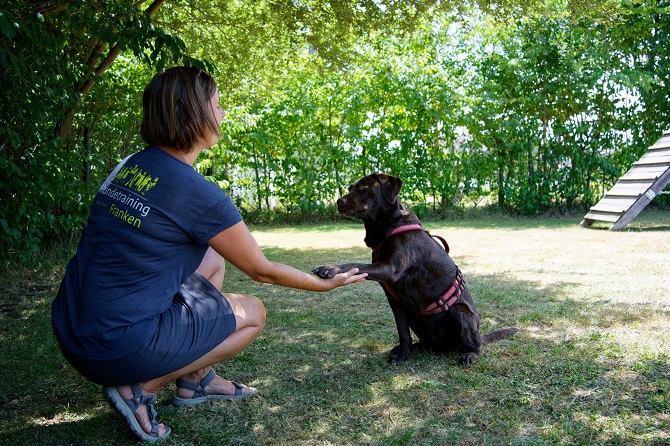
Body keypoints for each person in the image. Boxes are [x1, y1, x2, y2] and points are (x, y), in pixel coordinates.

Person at [51, 66, 367, 443]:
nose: (222, 115)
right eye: (218, 106)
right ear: (195, 114)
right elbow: (262, 271)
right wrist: (321, 285)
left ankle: (195, 381)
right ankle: (141, 389)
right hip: (113, 346)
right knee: (253, 313)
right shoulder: (196, 192)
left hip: (72, 328)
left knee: (213, 261)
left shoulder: (129, 166)